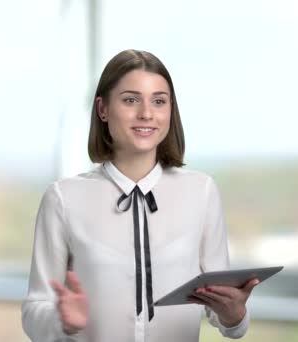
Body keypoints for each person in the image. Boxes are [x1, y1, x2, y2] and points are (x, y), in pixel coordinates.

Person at [21, 49, 259, 342]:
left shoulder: (201, 192)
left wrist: (233, 314)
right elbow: (35, 309)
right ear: (103, 109)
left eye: (159, 101)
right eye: (131, 100)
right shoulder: (63, 198)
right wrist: (62, 322)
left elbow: (225, 315)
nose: (146, 113)